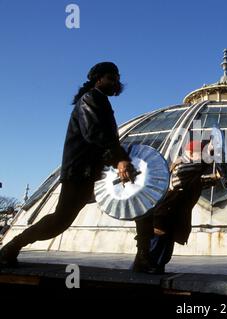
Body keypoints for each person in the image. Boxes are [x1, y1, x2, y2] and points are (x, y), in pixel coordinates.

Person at [0, 62, 135, 267]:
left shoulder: (99, 100)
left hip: (89, 170)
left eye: (117, 78)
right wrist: (120, 159)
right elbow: (96, 133)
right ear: (98, 79)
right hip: (80, 171)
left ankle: (145, 256)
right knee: (60, 220)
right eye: (111, 78)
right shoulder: (90, 99)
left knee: (62, 220)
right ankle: (11, 247)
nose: (115, 82)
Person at [132, 139, 220, 274]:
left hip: (168, 221)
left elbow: (196, 182)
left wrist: (214, 178)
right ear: (191, 153)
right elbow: (197, 170)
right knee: (152, 260)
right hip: (162, 221)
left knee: (159, 259)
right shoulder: (183, 166)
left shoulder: (188, 170)